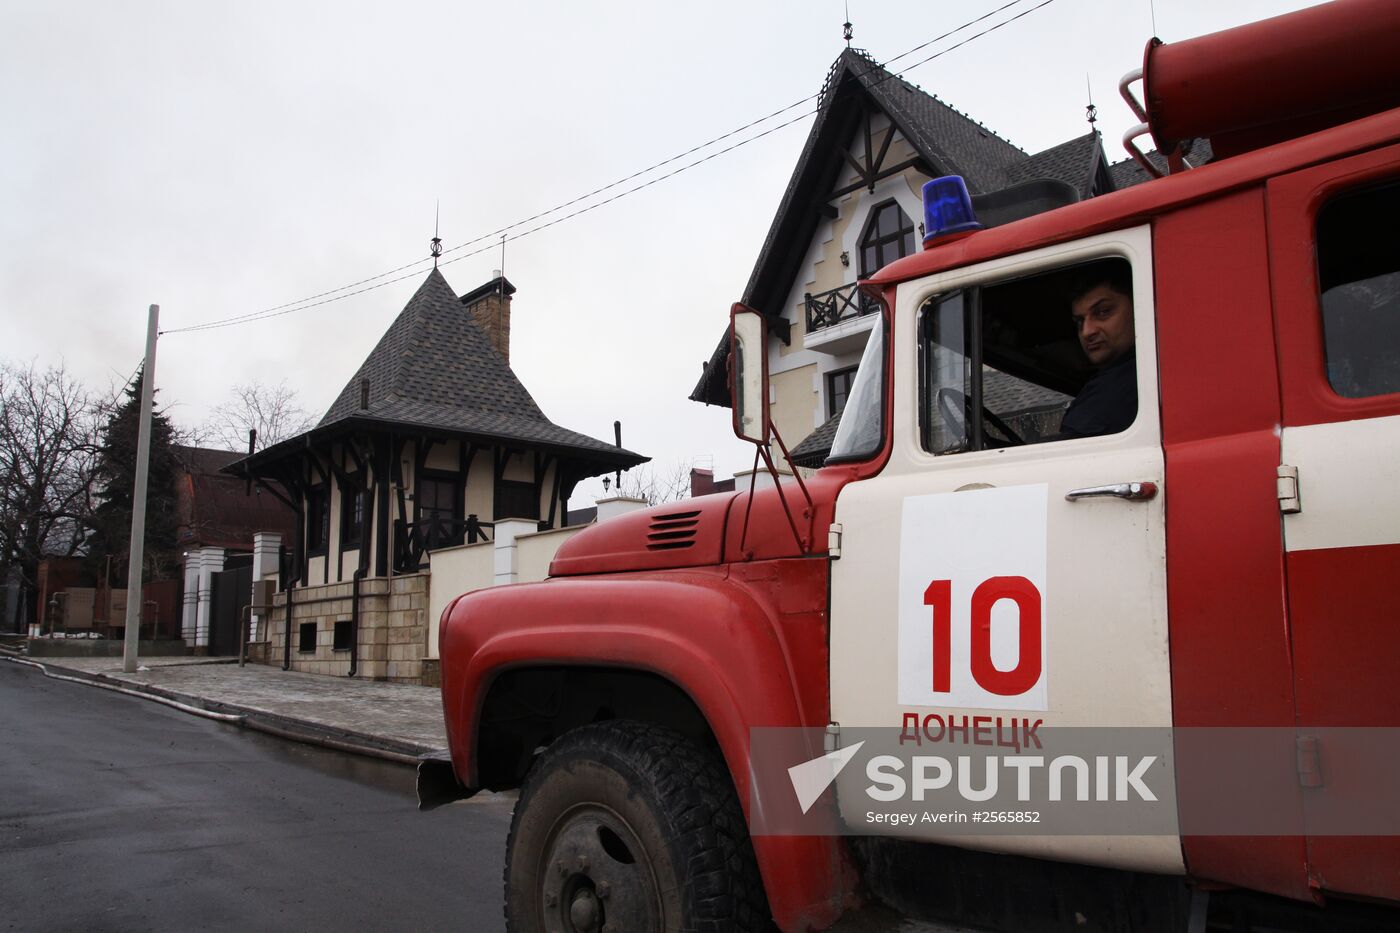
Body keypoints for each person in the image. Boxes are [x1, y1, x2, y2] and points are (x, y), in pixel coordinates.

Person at [1059, 264, 1137, 438]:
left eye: (1103, 312)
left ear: (1139, 306)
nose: (1087, 332)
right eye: (1079, 322)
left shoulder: (1119, 388)